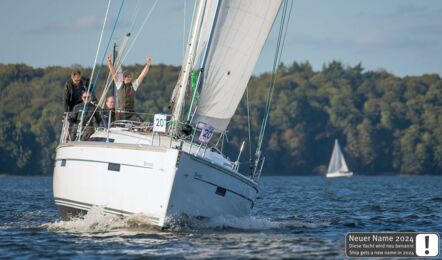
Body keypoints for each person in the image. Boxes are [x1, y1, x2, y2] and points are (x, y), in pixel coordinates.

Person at [106, 54, 152, 122]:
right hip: (121, 113)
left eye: (129, 77)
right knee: (117, 125)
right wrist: (109, 63)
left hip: (131, 113)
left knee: (141, 123)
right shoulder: (119, 84)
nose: (127, 78)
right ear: (123, 78)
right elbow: (113, 73)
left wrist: (148, 65)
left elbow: (142, 76)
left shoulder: (134, 85)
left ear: (131, 78)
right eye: (126, 77)